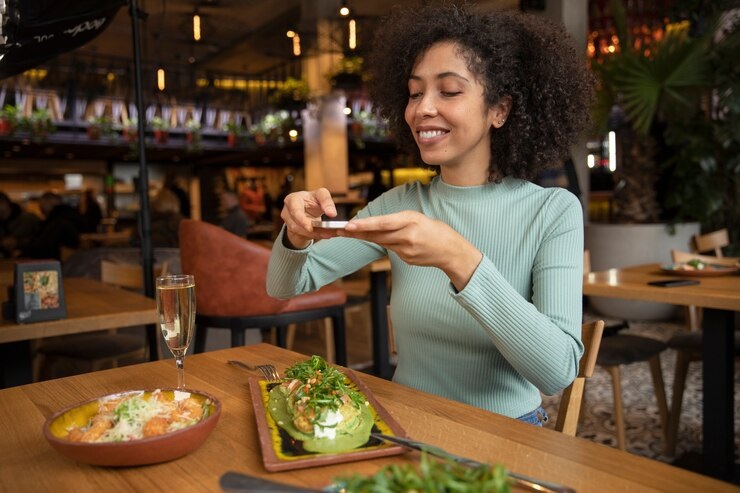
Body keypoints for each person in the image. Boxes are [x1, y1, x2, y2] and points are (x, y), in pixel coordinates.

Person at [266, 2, 593, 425]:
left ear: (501, 110)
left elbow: (557, 372)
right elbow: (282, 285)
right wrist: (295, 233)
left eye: (449, 91)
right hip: (406, 424)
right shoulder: (402, 202)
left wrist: (459, 259)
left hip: (507, 436)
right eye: (415, 92)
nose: (422, 109)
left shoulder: (552, 211)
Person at [22, 192, 83, 260]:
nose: (40, 208)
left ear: (48, 203)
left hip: (55, 264)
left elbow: (42, 246)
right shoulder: (68, 217)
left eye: (42, 204)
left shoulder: (56, 222)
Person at [0, 192, 40, 258]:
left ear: (4, 203)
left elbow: (42, 238)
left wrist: (19, 243)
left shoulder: (29, 219)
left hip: (29, 259)